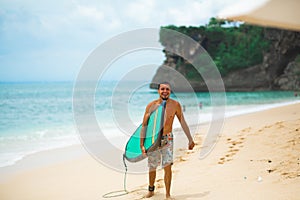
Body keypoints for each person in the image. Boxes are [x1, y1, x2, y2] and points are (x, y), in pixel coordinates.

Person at [140, 82, 195, 199]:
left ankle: (168, 194)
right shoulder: (151, 106)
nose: (165, 91)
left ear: (170, 91)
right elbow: (144, 126)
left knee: (168, 166)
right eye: (162, 89)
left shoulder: (175, 105)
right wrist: (142, 144)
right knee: (152, 166)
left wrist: (190, 139)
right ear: (158, 91)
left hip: (167, 138)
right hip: (153, 139)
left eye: (167, 89)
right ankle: (151, 190)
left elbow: (182, 122)